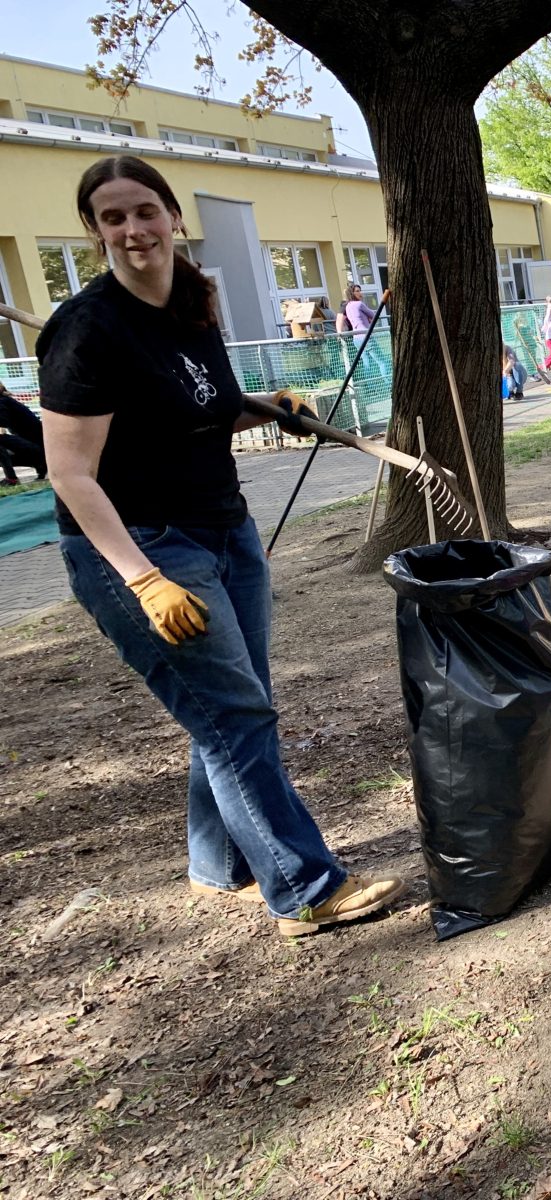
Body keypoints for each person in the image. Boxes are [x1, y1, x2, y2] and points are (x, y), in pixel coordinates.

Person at [35, 155, 404, 937]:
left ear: (172, 217)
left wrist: (264, 408)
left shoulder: (191, 304)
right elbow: (70, 476)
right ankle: (304, 890)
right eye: (112, 218)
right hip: (143, 547)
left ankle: (218, 865)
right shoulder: (86, 330)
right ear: (95, 232)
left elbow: (195, 409)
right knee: (234, 716)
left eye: (144, 210)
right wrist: (142, 581)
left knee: (228, 709)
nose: (132, 229)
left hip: (226, 529)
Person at [0, 382, 48, 485]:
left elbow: (1, 431)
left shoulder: (2, 402)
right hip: (37, 448)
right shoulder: (6, 400)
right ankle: (40, 465)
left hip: (39, 450)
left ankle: (11, 479)